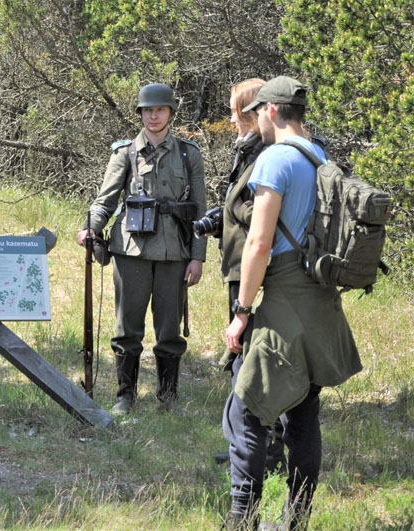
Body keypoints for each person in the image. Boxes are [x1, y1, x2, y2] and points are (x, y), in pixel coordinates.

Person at [222, 76, 361, 529]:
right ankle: (296, 521)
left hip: (284, 299)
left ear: (271, 112)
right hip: (321, 301)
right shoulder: (320, 155)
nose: (256, 118)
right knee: (303, 412)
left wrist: (241, 313)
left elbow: (259, 244)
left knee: (246, 410)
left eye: (258, 111)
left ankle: (242, 520)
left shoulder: (275, 160)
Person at [76, 83, 207, 415]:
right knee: (127, 326)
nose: (153, 116)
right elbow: (104, 201)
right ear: (140, 114)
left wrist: (197, 256)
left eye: (160, 110)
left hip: (174, 251)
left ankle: (168, 397)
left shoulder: (189, 154)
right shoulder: (124, 153)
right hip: (130, 250)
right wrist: (91, 227)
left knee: (169, 329)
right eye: (147, 110)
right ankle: (125, 396)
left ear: (171, 114)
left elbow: (200, 211)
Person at [211, 79, 286, 475]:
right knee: (242, 359)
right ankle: (245, 444)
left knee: (256, 360)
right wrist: (217, 217)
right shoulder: (246, 151)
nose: (231, 118)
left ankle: (265, 449)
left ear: (253, 112)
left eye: (236, 110)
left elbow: (259, 216)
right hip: (239, 267)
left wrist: (231, 209)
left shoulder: (266, 155)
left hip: (255, 271)